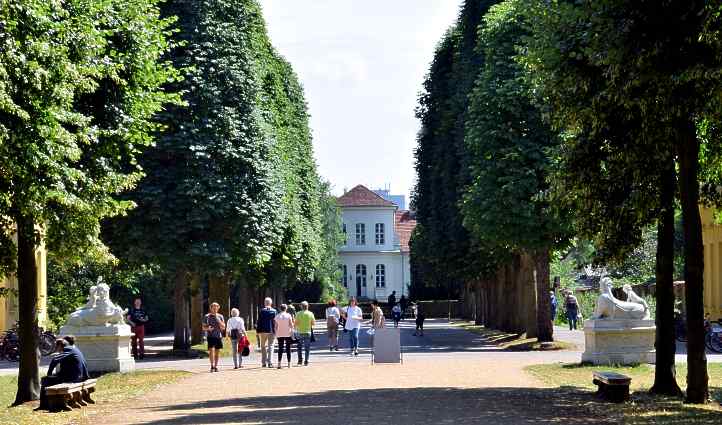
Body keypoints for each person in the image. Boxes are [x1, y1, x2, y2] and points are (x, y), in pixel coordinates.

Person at [37, 339, 89, 410]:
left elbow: (55, 360)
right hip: (81, 376)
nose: (57, 349)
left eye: (56, 347)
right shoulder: (74, 349)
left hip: (73, 378)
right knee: (53, 378)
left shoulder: (67, 350)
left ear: (60, 346)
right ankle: (58, 402)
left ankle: (44, 405)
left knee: (45, 380)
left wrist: (49, 373)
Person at [202, 302, 225, 372]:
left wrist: (217, 319)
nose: (215, 309)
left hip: (218, 336)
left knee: (217, 352)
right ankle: (212, 366)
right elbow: (203, 327)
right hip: (210, 336)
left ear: (218, 308)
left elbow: (223, 327)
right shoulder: (207, 316)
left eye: (216, 307)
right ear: (210, 308)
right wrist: (208, 329)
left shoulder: (220, 316)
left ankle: (216, 366)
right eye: (213, 307)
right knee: (211, 351)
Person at [256, 297, 277, 368]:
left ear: (265, 303)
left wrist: (257, 331)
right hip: (271, 330)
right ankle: (270, 362)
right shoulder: (274, 311)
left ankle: (263, 362)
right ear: (271, 303)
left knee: (263, 346)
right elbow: (275, 322)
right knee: (271, 346)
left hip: (263, 331)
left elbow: (259, 322)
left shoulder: (262, 311)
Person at [295, 301, 316, 366]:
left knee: (299, 347)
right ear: (307, 306)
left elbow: (296, 323)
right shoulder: (310, 313)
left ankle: (300, 360)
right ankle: (306, 361)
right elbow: (313, 323)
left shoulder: (298, 313)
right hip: (308, 332)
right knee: (307, 348)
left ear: (301, 306)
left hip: (300, 332)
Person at [274, 304, 294, 369]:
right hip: (287, 333)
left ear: (280, 308)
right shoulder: (288, 315)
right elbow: (291, 324)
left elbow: (276, 326)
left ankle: (279, 364)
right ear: (286, 309)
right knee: (288, 348)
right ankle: (289, 364)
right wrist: (292, 329)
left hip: (279, 334)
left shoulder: (277, 316)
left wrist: (276, 333)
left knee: (280, 348)